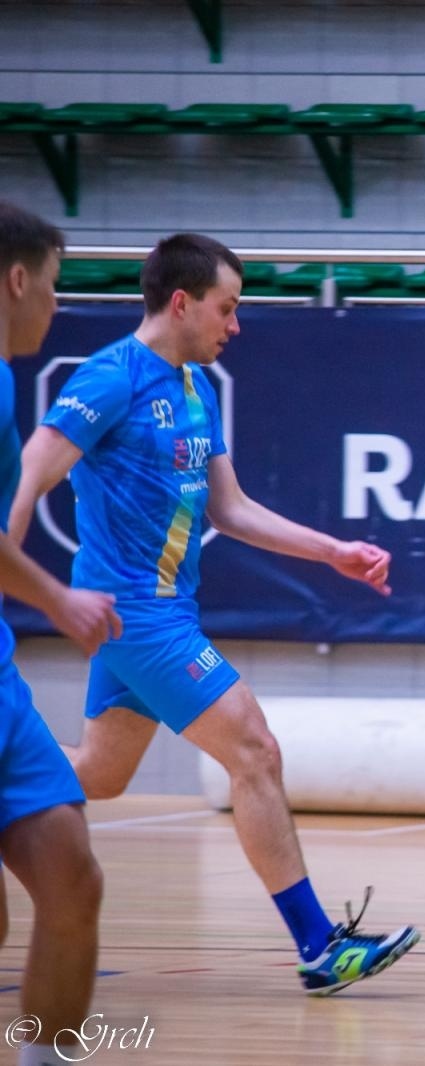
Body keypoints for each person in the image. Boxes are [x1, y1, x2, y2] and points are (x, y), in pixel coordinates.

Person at [8, 232, 418, 996]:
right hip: (139, 617)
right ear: (181, 302)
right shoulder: (111, 377)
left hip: (159, 614)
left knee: (98, 775)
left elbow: (229, 507)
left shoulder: (194, 387)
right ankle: (319, 945)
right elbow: (34, 464)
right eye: (228, 308)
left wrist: (332, 551)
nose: (236, 325)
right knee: (254, 749)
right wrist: (14, 565)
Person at [0, 200, 124, 1065]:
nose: (56, 302)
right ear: (16, 279)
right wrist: (59, 597)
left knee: (71, 877)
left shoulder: (5, 379)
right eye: (51, 284)